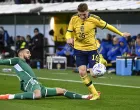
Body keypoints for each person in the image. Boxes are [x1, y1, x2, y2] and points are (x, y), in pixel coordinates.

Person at [65, 3, 131, 100]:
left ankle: (101, 60)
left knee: (94, 74)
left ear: (88, 11)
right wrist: (68, 38)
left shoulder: (94, 19)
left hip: (91, 49)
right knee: (82, 73)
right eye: (80, 14)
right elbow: (69, 32)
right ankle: (95, 94)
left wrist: (121, 33)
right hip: (78, 49)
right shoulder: (74, 18)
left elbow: (108, 26)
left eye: (84, 14)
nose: (82, 16)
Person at [0, 48, 97, 100]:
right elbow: (2, 61)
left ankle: (85, 96)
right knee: (37, 95)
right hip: (30, 83)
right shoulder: (16, 60)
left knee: (62, 91)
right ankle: (9, 96)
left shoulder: (22, 63)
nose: (30, 54)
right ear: (21, 54)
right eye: (27, 52)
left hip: (37, 84)